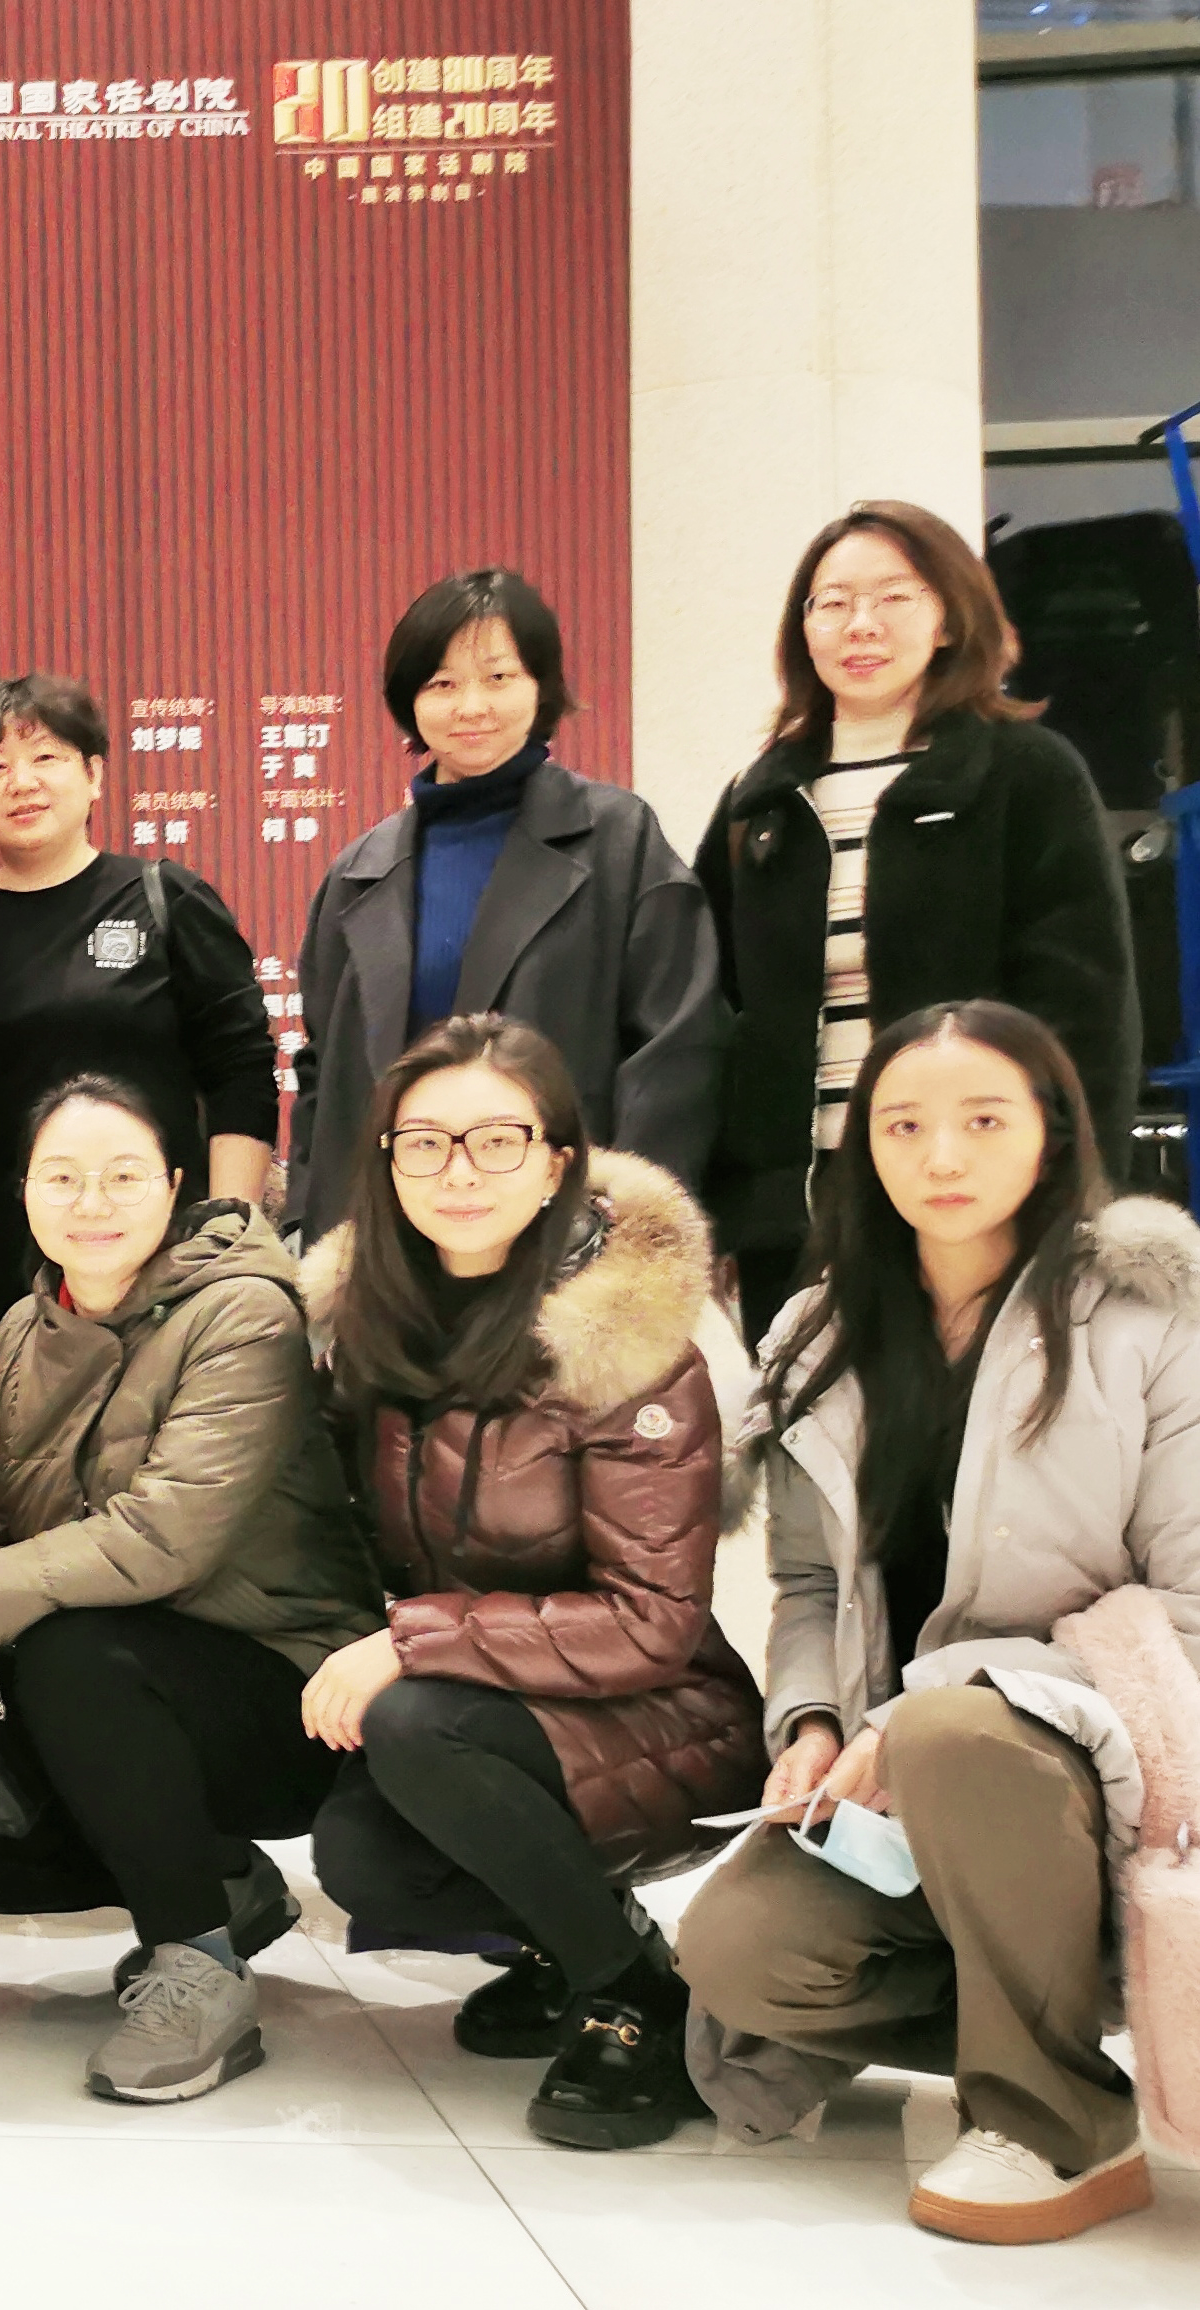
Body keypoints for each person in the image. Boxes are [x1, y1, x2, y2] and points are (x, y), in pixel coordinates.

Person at [679, 1001, 1196, 2245]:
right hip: (898, 1779)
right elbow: (810, 1586)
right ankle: (1026, 2022)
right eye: (904, 1125)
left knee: (957, 1733)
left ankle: (1056, 2122)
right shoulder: (817, 1330)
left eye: (984, 1121)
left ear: (1054, 1131)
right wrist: (812, 1720)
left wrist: (923, 1711)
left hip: (1100, 1763)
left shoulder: (1147, 1319)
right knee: (741, 1957)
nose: (942, 1157)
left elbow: (1187, 1607)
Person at [300, 1013, 763, 2150]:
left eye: (496, 1141)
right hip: (488, 1697)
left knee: (411, 1725)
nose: (458, 1174)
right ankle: (574, 1941)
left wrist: (410, 1640)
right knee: (365, 1857)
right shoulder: (369, 1331)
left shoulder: (626, 1345)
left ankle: (637, 1998)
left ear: (556, 1161)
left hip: (661, 1707)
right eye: (424, 1144)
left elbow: (652, 1623)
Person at [0, 1075, 382, 2101]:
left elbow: (164, 1539)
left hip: (283, 1694)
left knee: (71, 1658)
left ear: (174, 1186)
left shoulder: (244, 1311)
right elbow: (8, 1524)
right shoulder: (24, 1327)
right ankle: (224, 1884)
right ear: (24, 1191)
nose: (92, 1203)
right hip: (123, 1682)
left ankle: (197, 1965)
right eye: (61, 1178)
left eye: (122, 1176)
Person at [692, 502, 1139, 1343]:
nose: (860, 624)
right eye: (831, 603)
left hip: (976, 1197)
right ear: (802, 630)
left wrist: (1077, 1193)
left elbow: (1088, 1009)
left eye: (893, 597)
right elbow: (707, 1010)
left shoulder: (1025, 774)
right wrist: (722, 1204)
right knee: (803, 1418)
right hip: (795, 1214)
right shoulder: (762, 798)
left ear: (948, 619)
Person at [286, 570, 723, 1246]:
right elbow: (322, 1077)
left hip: (568, 1233)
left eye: (498, 678)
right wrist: (308, 1223)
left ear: (540, 686)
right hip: (388, 1242)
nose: (471, 706)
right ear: (408, 701)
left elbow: (676, 1043)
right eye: (442, 684)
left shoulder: (618, 839)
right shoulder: (356, 873)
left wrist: (628, 1220)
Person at [0, 675, 279, 1465]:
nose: (21, 782)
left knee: (156, 1472)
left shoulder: (163, 898)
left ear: (92, 775)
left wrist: (226, 1231)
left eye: (45, 758)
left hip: (153, 1254)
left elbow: (239, 1067)